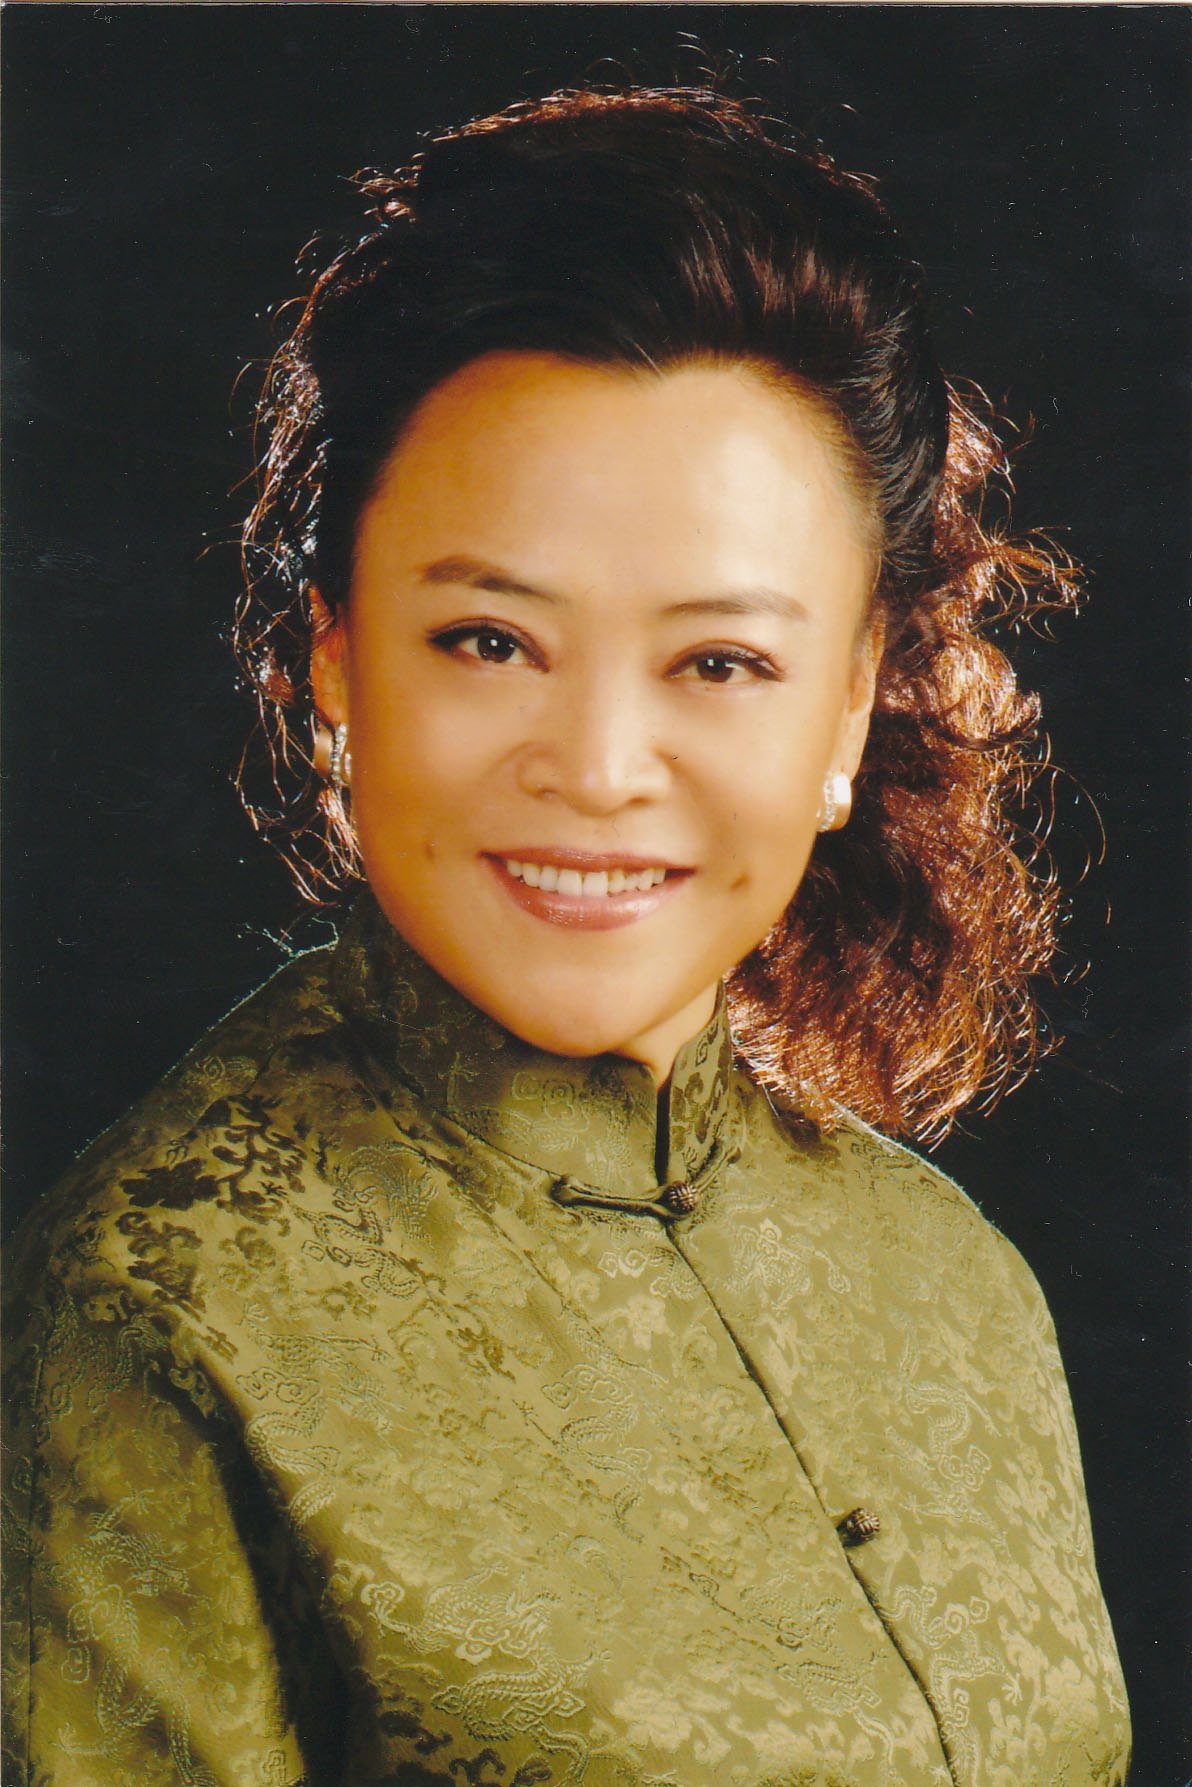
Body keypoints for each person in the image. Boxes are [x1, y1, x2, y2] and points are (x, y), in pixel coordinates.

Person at [2, 85, 1130, 1786]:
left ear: (850, 708)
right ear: (330, 658)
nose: (599, 768)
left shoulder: (953, 1279)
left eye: (721, 662)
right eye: (489, 641)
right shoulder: (161, 1308)